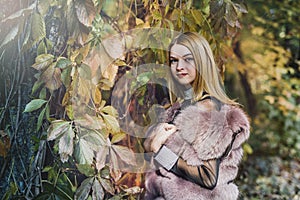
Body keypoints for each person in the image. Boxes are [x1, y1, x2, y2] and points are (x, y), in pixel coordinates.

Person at [143, 32, 250, 200]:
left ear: (202, 62)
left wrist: (159, 151)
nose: (179, 66)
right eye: (174, 60)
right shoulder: (177, 108)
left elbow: (208, 177)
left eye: (188, 59)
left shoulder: (211, 110)